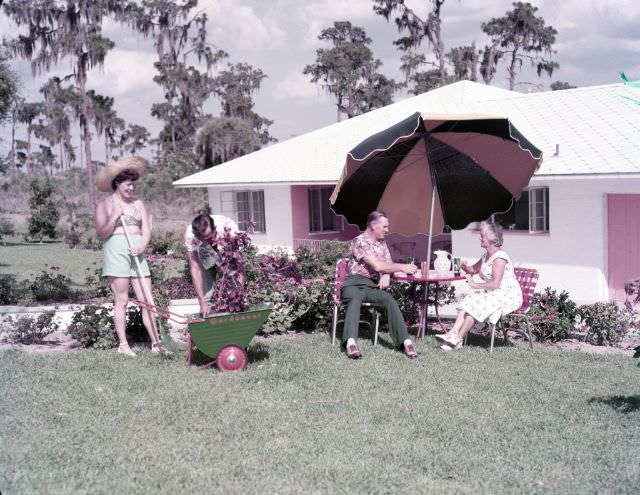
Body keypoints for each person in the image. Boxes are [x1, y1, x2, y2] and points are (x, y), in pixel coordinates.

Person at [95, 156, 170, 356]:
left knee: (147, 299)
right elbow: (101, 233)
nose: (131, 189)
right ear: (117, 184)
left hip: (137, 252)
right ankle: (123, 345)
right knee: (122, 300)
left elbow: (146, 230)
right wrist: (114, 216)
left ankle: (156, 343)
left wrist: (143, 245)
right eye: (128, 185)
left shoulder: (138, 203)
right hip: (116, 251)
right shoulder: (105, 203)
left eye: (133, 185)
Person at [341, 211, 419, 359]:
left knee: (388, 300)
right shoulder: (360, 241)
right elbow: (377, 265)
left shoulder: (382, 244)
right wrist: (402, 267)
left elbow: (386, 265)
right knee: (355, 299)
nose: (387, 230)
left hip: (371, 286)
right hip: (353, 283)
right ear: (373, 225)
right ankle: (351, 343)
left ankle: (406, 342)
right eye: (385, 226)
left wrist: (387, 274)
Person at [436, 221, 523, 350]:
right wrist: (463, 266)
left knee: (476, 306)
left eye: (482, 235)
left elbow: (495, 284)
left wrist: (473, 284)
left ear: (492, 239)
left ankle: (458, 340)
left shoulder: (499, 258)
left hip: (507, 295)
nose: (479, 238)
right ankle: (453, 333)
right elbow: (473, 270)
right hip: (494, 293)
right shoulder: (486, 256)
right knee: (469, 300)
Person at [184, 212, 239, 317]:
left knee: (229, 278)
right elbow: (195, 269)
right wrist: (201, 302)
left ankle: (233, 305)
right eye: (202, 238)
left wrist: (239, 292)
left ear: (214, 228)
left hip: (224, 246)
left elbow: (238, 264)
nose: (207, 240)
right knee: (206, 283)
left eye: (208, 237)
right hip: (203, 251)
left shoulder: (229, 229)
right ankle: (208, 309)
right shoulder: (190, 235)